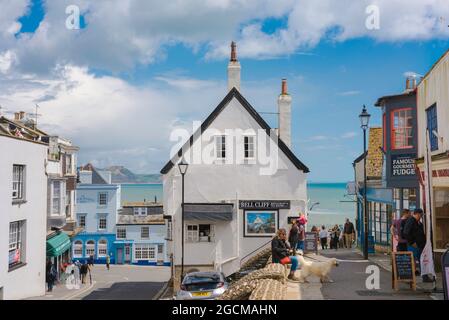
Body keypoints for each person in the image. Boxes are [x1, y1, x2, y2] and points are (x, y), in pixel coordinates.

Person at [403, 208, 426, 274]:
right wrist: (412, 242)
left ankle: (423, 275)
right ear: (418, 214)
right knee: (414, 260)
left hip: (419, 245)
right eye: (421, 215)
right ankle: (413, 275)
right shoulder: (411, 221)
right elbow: (406, 233)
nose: (421, 216)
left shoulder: (418, 222)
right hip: (414, 245)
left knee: (421, 260)